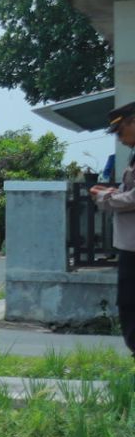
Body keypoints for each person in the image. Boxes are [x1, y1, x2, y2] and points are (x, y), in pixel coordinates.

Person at [90, 101, 135, 360]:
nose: (120, 138)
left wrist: (106, 199)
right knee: (128, 304)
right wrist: (111, 193)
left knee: (130, 304)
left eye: (120, 131)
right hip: (130, 245)